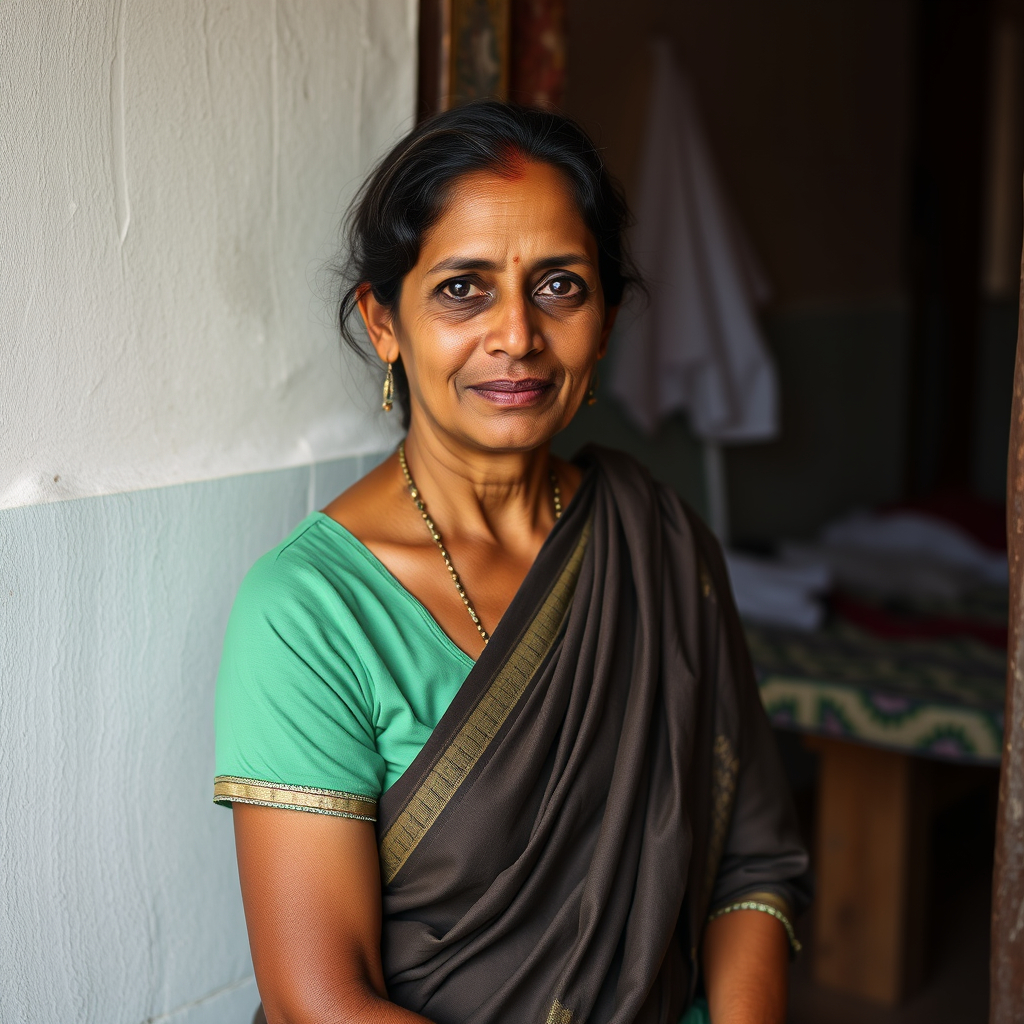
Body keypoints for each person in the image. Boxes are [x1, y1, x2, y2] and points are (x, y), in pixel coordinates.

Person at [214, 101, 810, 1024]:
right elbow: (318, 1000)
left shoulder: (658, 540)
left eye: (560, 286)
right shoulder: (310, 611)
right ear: (383, 322)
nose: (519, 335)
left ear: (605, 320)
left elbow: (752, 863)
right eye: (463, 288)